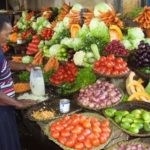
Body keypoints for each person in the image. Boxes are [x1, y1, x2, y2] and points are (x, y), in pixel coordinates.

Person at [0, 15, 34, 150]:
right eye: (6, 34)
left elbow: (5, 63)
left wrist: (24, 66)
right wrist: (17, 103)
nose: (9, 38)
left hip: (6, 106)